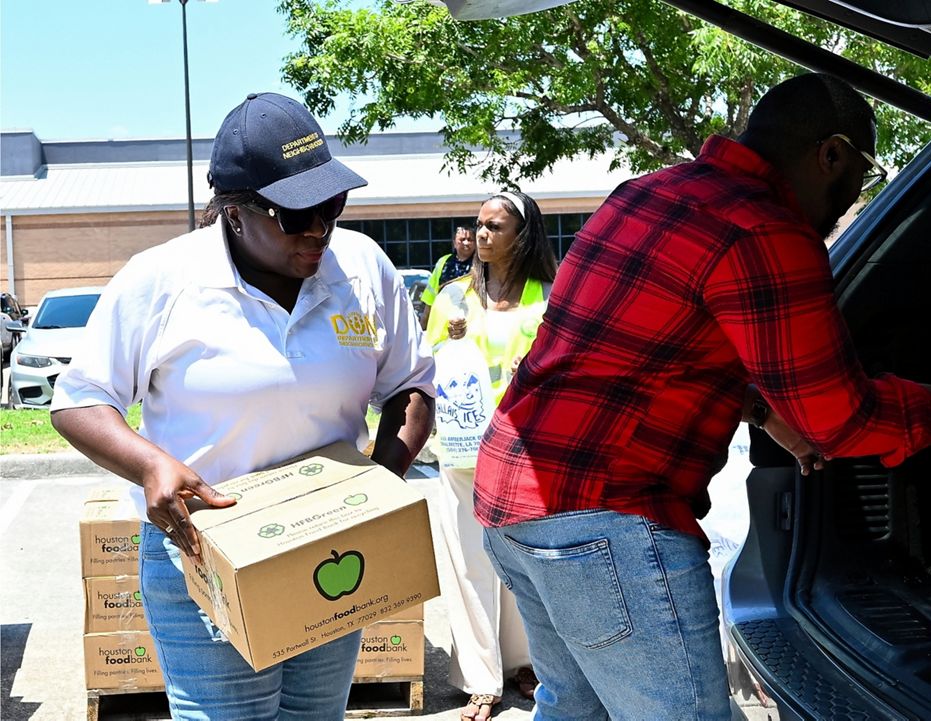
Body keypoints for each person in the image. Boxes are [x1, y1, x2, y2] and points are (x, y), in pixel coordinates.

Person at [472, 73, 931, 719]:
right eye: (862, 171)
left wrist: (763, 408)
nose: (854, 191)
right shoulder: (765, 229)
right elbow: (846, 422)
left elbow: (642, 345)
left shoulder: (650, 191)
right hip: (607, 519)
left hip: (514, 502)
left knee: (574, 709)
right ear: (833, 154)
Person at [49, 92, 435, 721]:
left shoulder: (361, 268)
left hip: (332, 548)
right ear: (234, 211)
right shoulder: (164, 280)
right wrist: (151, 466)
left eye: (331, 206)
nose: (319, 230)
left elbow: (410, 386)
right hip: (206, 555)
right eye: (294, 216)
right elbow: (79, 400)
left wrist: (379, 487)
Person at [424, 190, 555, 721]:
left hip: (527, 452)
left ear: (521, 236)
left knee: (524, 564)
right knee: (470, 561)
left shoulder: (549, 296)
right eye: (478, 225)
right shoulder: (452, 298)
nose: (481, 235)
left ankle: (525, 662)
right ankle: (481, 678)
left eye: (494, 226)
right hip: (461, 452)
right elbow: (427, 368)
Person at [421, 225, 477, 326]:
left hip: (470, 323)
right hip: (443, 324)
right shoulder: (443, 262)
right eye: (462, 239)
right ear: (454, 243)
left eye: (470, 239)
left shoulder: (481, 265)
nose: (466, 243)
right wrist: (423, 326)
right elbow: (430, 298)